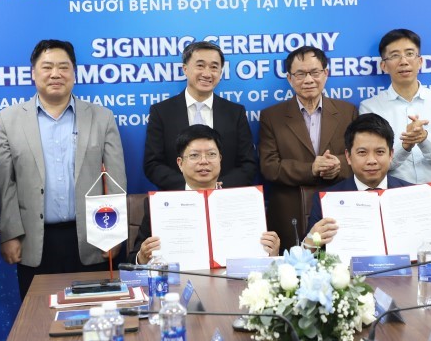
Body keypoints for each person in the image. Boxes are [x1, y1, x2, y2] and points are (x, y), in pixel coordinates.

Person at [0, 39, 127, 299]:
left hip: (93, 239)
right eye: (47, 67)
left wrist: (113, 234)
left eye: (63, 67)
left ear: (74, 73)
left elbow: (115, 180)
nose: (55, 74)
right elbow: (4, 184)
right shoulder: (8, 120)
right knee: (38, 317)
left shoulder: (102, 117)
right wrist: (9, 235)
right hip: (33, 241)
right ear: (33, 73)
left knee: (94, 315)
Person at [306, 113, 431, 254]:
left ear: (391, 155)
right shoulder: (327, 200)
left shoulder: (416, 196)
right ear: (348, 157)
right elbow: (310, 254)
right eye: (362, 152)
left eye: (379, 152)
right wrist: (311, 241)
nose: (371, 160)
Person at [131, 124, 279, 264]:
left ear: (220, 159)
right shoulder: (158, 205)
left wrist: (272, 254)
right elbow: (132, 260)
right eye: (194, 155)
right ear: (180, 163)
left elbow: (264, 260)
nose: (204, 161)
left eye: (211, 154)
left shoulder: (246, 202)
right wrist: (142, 257)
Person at [259, 46, 357, 251]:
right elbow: (269, 167)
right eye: (300, 74)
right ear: (289, 78)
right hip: (290, 213)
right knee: (291, 267)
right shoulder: (272, 116)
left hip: (339, 210)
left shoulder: (347, 111)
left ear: (326, 73)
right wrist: (311, 169)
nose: (309, 80)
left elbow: (359, 158)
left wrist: (339, 165)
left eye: (314, 72)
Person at [359, 29, 431, 225]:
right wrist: (405, 146)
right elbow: (375, 164)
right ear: (384, 65)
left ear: (420, 61)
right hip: (390, 199)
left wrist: (424, 139)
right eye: (395, 55)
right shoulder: (370, 107)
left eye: (410, 54)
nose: (403, 61)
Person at [144, 40, 257, 190]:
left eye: (214, 67)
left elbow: (248, 163)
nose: (207, 73)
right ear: (185, 69)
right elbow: (153, 164)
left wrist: (216, 187)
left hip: (224, 197)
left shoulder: (235, 112)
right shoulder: (162, 112)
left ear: (221, 72)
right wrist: (190, 186)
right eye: (200, 65)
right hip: (178, 198)